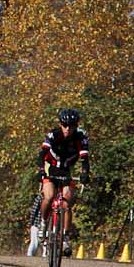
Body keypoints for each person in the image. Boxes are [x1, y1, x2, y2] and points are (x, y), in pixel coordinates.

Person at [36, 108, 91, 252]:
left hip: (66, 171)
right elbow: (42, 154)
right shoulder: (54, 135)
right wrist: (41, 170)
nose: (68, 129)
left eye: (72, 126)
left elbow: (85, 158)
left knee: (67, 203)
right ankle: (43, 223)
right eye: (65, 125)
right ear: (60, 124)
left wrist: (85, 173)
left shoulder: (81, 137)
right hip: (51, 168)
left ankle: (65, 238)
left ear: (76, 126)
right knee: (49, 196)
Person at [25, 192, 43, 256]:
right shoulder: (40, 197)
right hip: (39, 224)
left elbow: (33, 211)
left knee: (34, 242)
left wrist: (30, 222)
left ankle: (29, 255)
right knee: (44, 243)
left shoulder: (39, 197)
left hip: (36, 224)